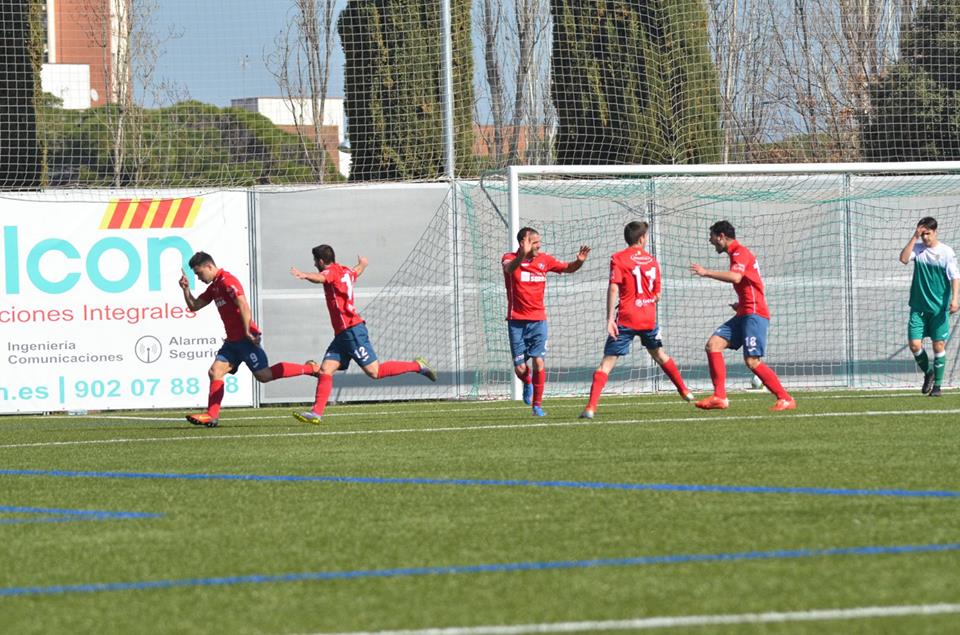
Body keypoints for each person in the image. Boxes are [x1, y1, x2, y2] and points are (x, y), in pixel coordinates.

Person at [289, 244, 437, 424]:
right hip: (343, 334)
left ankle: (418, 366)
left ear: (320, 261)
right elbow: (356, 271)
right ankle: (316, 413)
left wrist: (305, 275)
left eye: (315, 261)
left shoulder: (331, 273)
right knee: (325, 370)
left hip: (352, 331)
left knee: (375, 372)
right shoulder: (344, 271)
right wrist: (363, 264)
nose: (314, 264)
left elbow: (321, 277)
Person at [179, 251, 319, 428]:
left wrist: (247, 331)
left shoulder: (227, 280)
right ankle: (211, 416)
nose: (198, 278)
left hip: (246, 339)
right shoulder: (214, 287)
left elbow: (243, 304)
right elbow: (194, 306)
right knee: (215, 372)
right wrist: (186, 290)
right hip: (231, 343)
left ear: (209, 266)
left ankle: (310, 368)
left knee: (264, 375)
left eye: (199, 273)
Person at [579, 221, 693, 419]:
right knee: (659, 354)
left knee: (606, 364)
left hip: (627, 318)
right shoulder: (652, 261)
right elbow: (657, 295)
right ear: (642, 238)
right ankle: (684, 390)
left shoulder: (618, 258)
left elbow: (614, 288)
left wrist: (609, 318)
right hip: (648, 318)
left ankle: (590, 408)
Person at [689, 220, 795, 411]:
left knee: (752, 361)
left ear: (721, 236)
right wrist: (741, 304)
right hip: (745, 311)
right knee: (713, 345)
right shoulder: (736, 254)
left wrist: (706, 272)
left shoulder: (740, 252)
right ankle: (719, 397)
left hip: (754, 313)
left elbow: (736, 277)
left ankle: (785, 398)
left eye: (712, 237)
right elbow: (750, 282)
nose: (710, 241)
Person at [503, 227, 590, 416]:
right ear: (523, 243)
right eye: (534, 242)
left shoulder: (544, 260)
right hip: (516, 321)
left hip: (538, 320)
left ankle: (537, 405)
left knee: (539, 362)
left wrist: (579, 262)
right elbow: (509, 269)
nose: (539, 245)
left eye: (539, 242)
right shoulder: (509, 258)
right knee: (520, 369)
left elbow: (568, 268)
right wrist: (522, 255)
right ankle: (527, 381)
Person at [899, 216, 959, 397]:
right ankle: (929, 373)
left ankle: (938, 387)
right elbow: (903, 259)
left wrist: (955, 299)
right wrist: (914, 236)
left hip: (939, 309)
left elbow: (955, 277)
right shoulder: (917, 249)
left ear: (935, 232)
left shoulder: (946, 252)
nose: (925, 237)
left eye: (928, 233)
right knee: (914, 345)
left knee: (938, 345)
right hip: (918, 308)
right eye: (922, 234)